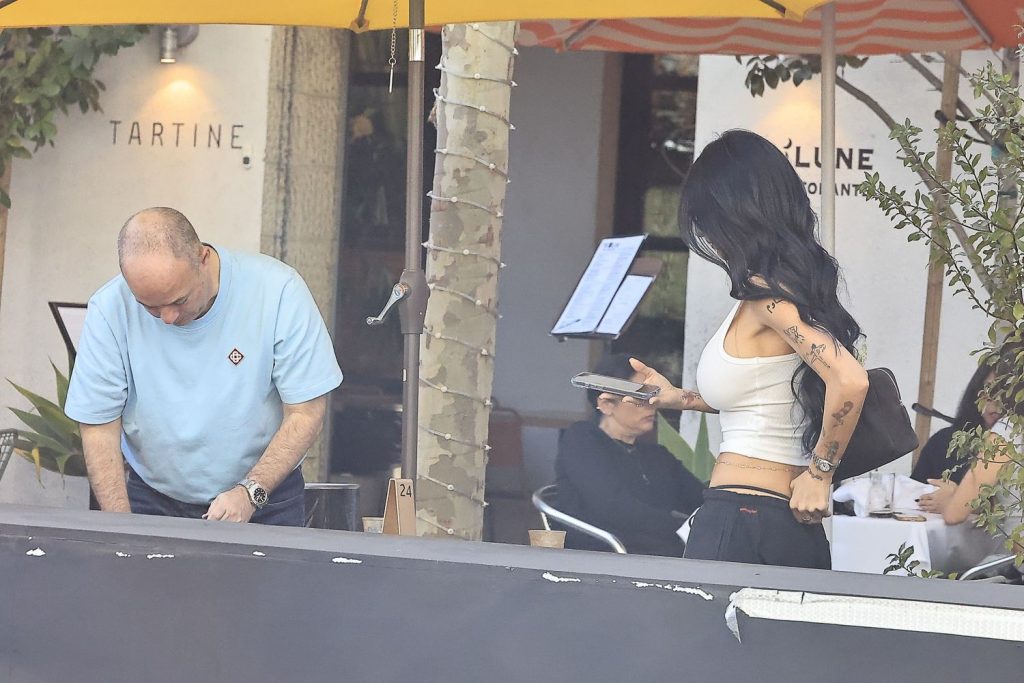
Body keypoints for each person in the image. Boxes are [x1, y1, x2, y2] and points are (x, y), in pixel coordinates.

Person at [630, 129, 869, 569]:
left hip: (743, 519)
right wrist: (677, 398)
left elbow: (850, 379)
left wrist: (820, 473)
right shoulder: (779, 295)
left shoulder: (767, 299)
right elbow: (765, 400)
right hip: (774, 521)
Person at [64, 207, 343, 526]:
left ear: (203, 258)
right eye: (150, 307)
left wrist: (251, 492)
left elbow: (306, 412)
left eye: (178, 301)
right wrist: (121, 527)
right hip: (153, 497)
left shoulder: (278, 291)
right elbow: (99, 427)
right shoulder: (110, 307)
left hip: (267, 495)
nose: (167, 318)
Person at [555, 354, 705, 557]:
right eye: (639, 397)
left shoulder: (655, 455)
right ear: (607, 404)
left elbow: (699, 497)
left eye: (651, 395)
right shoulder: (582, 440)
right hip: (604, 555)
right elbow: (613, 507)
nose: (651, 403)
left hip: (660, 552)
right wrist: (683, 528)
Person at [911, 363, 1001, 485]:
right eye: (991, 390)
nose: (999, 400)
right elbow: (914, 494)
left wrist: (954, 496)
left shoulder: (1017, 446)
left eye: (1009, 394)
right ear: (976, 393)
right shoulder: (944, 442)